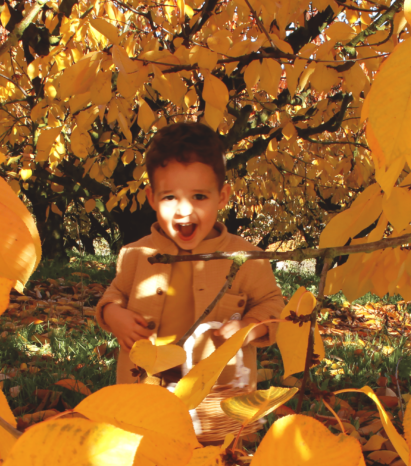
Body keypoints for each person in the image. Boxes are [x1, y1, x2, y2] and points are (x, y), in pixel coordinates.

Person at [95, 122, 283, 440]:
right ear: (151, 197)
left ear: (222, 196)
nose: (184, 210)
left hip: (217, 395)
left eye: (199, 196)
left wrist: (250, 327)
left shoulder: (245, 257)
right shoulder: (136, 253)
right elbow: (114, 295)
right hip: (145, 388)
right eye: (170, 197)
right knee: (144, 455)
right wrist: (114, 315)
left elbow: (273, 304)